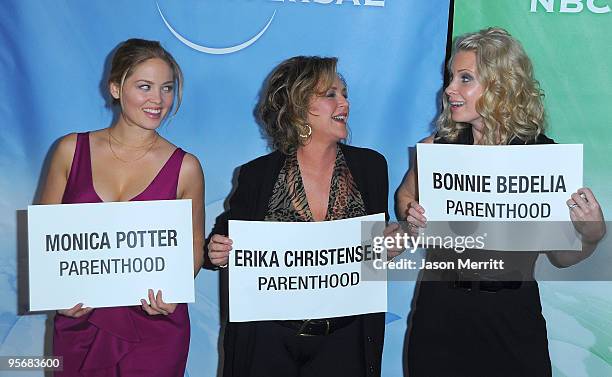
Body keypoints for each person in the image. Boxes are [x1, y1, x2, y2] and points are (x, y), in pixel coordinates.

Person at [397, 27, 606, 377]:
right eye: (452, 77)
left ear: (500, 85)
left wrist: (591, 236)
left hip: (513, 316)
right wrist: (410, 212)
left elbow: (561, 255)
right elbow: (405, 194)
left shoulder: (543, 158)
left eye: (466, 79)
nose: (450, 89)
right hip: (440, 315)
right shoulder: (437, 149)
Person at [207, 56, 394, 377]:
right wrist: (217, 251)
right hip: (270, 340)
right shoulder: (257, 175)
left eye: (345, 93)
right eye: (331, 94)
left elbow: (377, 246)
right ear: (297, 106)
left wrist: (392, 244)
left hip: (346, 339)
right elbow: (223, 240)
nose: (345, 102)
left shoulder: (371, 167)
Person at [39, 38, 205, 376]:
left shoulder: (186, 166)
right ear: (116, 88)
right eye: (145, 86)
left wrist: (175, 288)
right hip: (80, 321)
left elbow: (194, 245)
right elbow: (43, 237)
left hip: (155, 326)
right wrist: (53, 293)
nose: (158, 100)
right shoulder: (69, 151)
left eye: (167, 88)